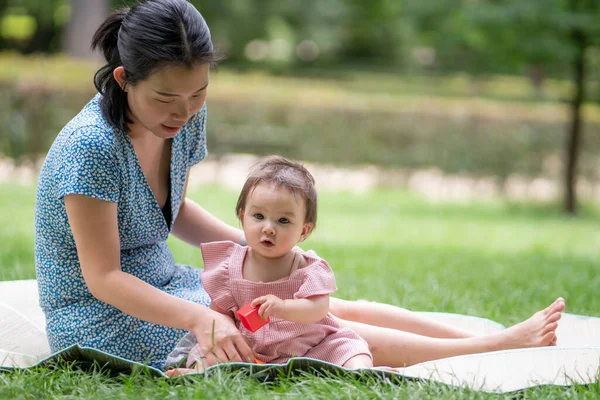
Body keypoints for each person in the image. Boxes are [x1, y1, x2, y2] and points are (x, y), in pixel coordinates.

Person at [34, 0, 566, 372]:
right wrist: (200, 318)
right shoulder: (92, 149)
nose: (185, 111)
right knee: (308, 333)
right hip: (102, 318)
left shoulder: (181, 114)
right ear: (124, 78)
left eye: (198, 94)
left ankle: (482, 340)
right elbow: (102, 277)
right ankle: (495, 348)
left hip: (165, 284)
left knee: (312, 300)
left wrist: (262, 253)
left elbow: (165, 208)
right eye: (167, 100)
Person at [165, 156, 373, 373]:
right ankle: (198, 372)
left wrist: (283, 308)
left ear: (303, 231)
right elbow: (219, 314)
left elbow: (318, 309)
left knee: (349, 345)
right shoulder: (229, 268)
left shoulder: (308, 268)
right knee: (211, 350)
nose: (268, 228)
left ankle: (362, 371)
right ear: (242, 217)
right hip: (250, 351)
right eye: (259, 216)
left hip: (309, 348)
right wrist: (221, 334)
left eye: (283, 221)